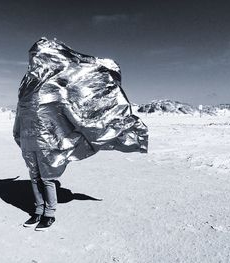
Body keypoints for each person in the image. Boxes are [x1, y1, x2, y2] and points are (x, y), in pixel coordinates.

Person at [13, 37, 148, 231]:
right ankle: (38, 210)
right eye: (33, 55)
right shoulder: (27, 83)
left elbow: (72, 102)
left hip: (47, 139)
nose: (35, 58)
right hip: (28, 138)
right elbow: (20, 110)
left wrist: (85, 125)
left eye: (38, 55)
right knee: (34, 177)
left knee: (47, 178)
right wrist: (17, 132)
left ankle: (49, 213)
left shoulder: (55, 81)